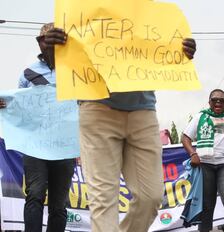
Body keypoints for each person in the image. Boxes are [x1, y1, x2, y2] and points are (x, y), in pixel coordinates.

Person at [43, 26, 196, 231]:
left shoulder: (143, 14)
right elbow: (61, 66)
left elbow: (162, 56)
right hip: (96, 108)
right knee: (103, 200)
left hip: (142, 110)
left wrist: (181, 53)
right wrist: (53, 50)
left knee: (150, 197)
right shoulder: (82, 14)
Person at [0, 23, 77, 232]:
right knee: (34, 195)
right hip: (35, 147)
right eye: (45, 39)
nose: (48, 43)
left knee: (59, 203)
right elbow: (18, 105)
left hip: (64, 148)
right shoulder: (28, 73)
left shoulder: (75, 72)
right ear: (40, 43)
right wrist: (5, 104)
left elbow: (86, 105)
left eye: (53, 39)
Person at [182, 89, 224, 232]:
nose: (218, 102)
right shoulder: (200, 117)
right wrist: (193, 153)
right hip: (205, 164)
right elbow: (185, 138)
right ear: (209, 102)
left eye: (222, 100)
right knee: (206, 204)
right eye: (215, 99)